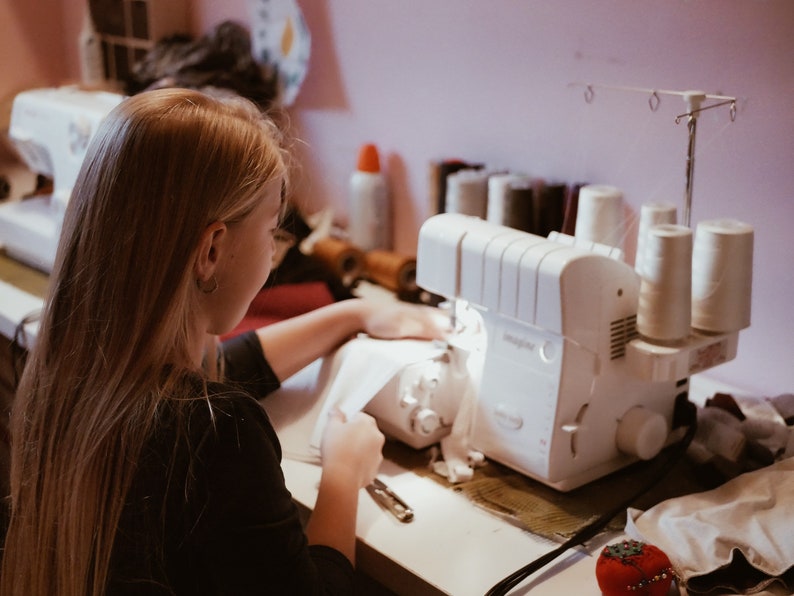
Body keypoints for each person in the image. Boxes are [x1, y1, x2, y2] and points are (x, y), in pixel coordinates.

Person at [0, 88, 446, 595]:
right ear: (211, 249)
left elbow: (229, 367)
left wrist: (352, 315)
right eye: (272, 232)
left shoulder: (66, 373)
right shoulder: (219, 434)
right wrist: (343, 475)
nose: (274, 254)